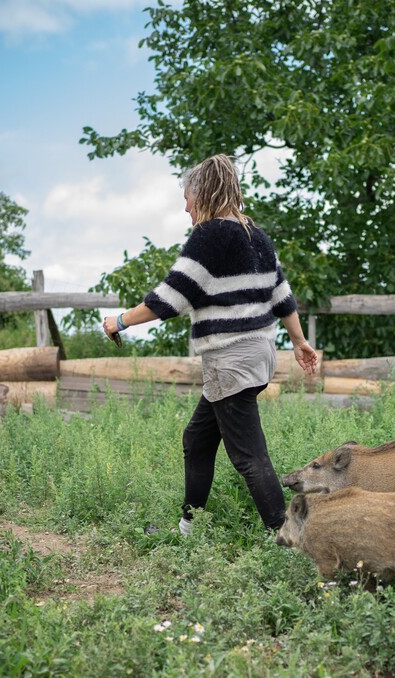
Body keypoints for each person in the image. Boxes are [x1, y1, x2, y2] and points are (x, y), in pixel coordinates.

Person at [103, 153, 318, 535]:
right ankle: (188, 528)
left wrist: (119, 321)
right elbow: (281, 294)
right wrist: (299, 340)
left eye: (187, 198)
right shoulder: (256, 235)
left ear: (202, 193)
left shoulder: (211, 234)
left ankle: (289, 539)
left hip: (230, 357)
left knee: (249, 456)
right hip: (257, 354)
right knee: (198, 439)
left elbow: (171, 297)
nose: (186, 208)